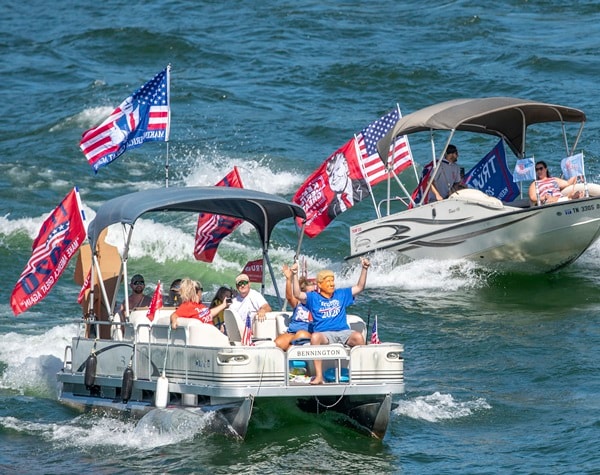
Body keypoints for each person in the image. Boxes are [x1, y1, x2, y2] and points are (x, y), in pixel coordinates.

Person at [291, 258, 370, 385]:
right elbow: (297, 294)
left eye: (333, 281)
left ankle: (362, 374)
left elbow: (360, 287)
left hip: (343, 332)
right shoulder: (313, 297)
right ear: (320, 285)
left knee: (358, 337)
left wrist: (364, 269)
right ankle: (319, 376)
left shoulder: (341, 294)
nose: (332, 284)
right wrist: (294, 275)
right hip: (325, 334)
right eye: (328, 281)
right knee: (315, 337)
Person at [274, 264, 316, 351]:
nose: (312, 295)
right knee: (278, 343)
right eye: (309, 293)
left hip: (309, 334)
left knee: (301, 335)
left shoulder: (319, 303)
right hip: (292, 333)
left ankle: (290, 349)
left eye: (314, 292)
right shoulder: (298, 303)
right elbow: (289, 297)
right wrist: (289, 279)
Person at [326, 151, 369, 218]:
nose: (334, 177)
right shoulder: (331, 209)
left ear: (346, 167)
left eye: (337, 169)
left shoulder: (364, 187)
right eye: (330, 174)